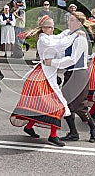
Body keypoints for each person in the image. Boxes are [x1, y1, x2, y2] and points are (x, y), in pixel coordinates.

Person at [11, 15, 82, 147]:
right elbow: (61, 43)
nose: (52, 28)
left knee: (42, 105)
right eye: (50, 26)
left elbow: (59, 37)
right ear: (43, 28)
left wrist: (70, 31)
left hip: (47, 75)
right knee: (56, 105)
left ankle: (30, 126)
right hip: (43, 76)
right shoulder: (44, 40)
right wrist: (74, 35)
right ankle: (53, 136)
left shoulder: (48, 37)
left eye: (53, 26)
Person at [45, 12, 95, 143]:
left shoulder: (80, 38)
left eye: (71, 20)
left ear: (79, 23)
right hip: (70, 74)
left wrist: (53, 63)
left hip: (79, 74)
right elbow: (56, 39)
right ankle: (73, 133)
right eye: (69, 19)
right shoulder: (68, 34)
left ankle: (94, 126)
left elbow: (73, 59)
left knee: (78, 106)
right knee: (65, 104)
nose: (68, 22)